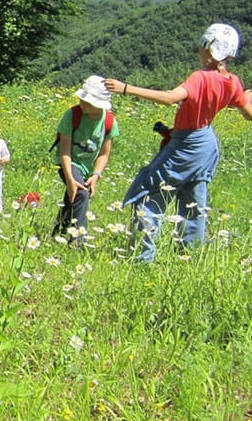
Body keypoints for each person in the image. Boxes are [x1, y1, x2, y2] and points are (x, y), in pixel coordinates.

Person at [105, 23, 252, 262]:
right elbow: (248, 113)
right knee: (193, 201)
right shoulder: (233, 82)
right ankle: (188, 256)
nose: (199, 49)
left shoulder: (200, 78)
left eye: (202, 45)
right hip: (206, 144)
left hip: (186, 144)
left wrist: (126, 88)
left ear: (209, 48)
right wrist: (247, 95)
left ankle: (142, 258)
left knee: (149, 193)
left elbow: (169, 98)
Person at [52, 75, 119, 244]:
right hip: (68, 162)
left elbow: (104, 154)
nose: (82, 104)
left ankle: (57, 233)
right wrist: (69, 178)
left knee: (74, 195)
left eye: (87, 102)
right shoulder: (72, 115)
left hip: (88, 168)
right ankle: (78, 242)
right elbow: (64, 151)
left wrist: (96, 175)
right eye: (81, 99)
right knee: (81, 193)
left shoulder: (110, 122)